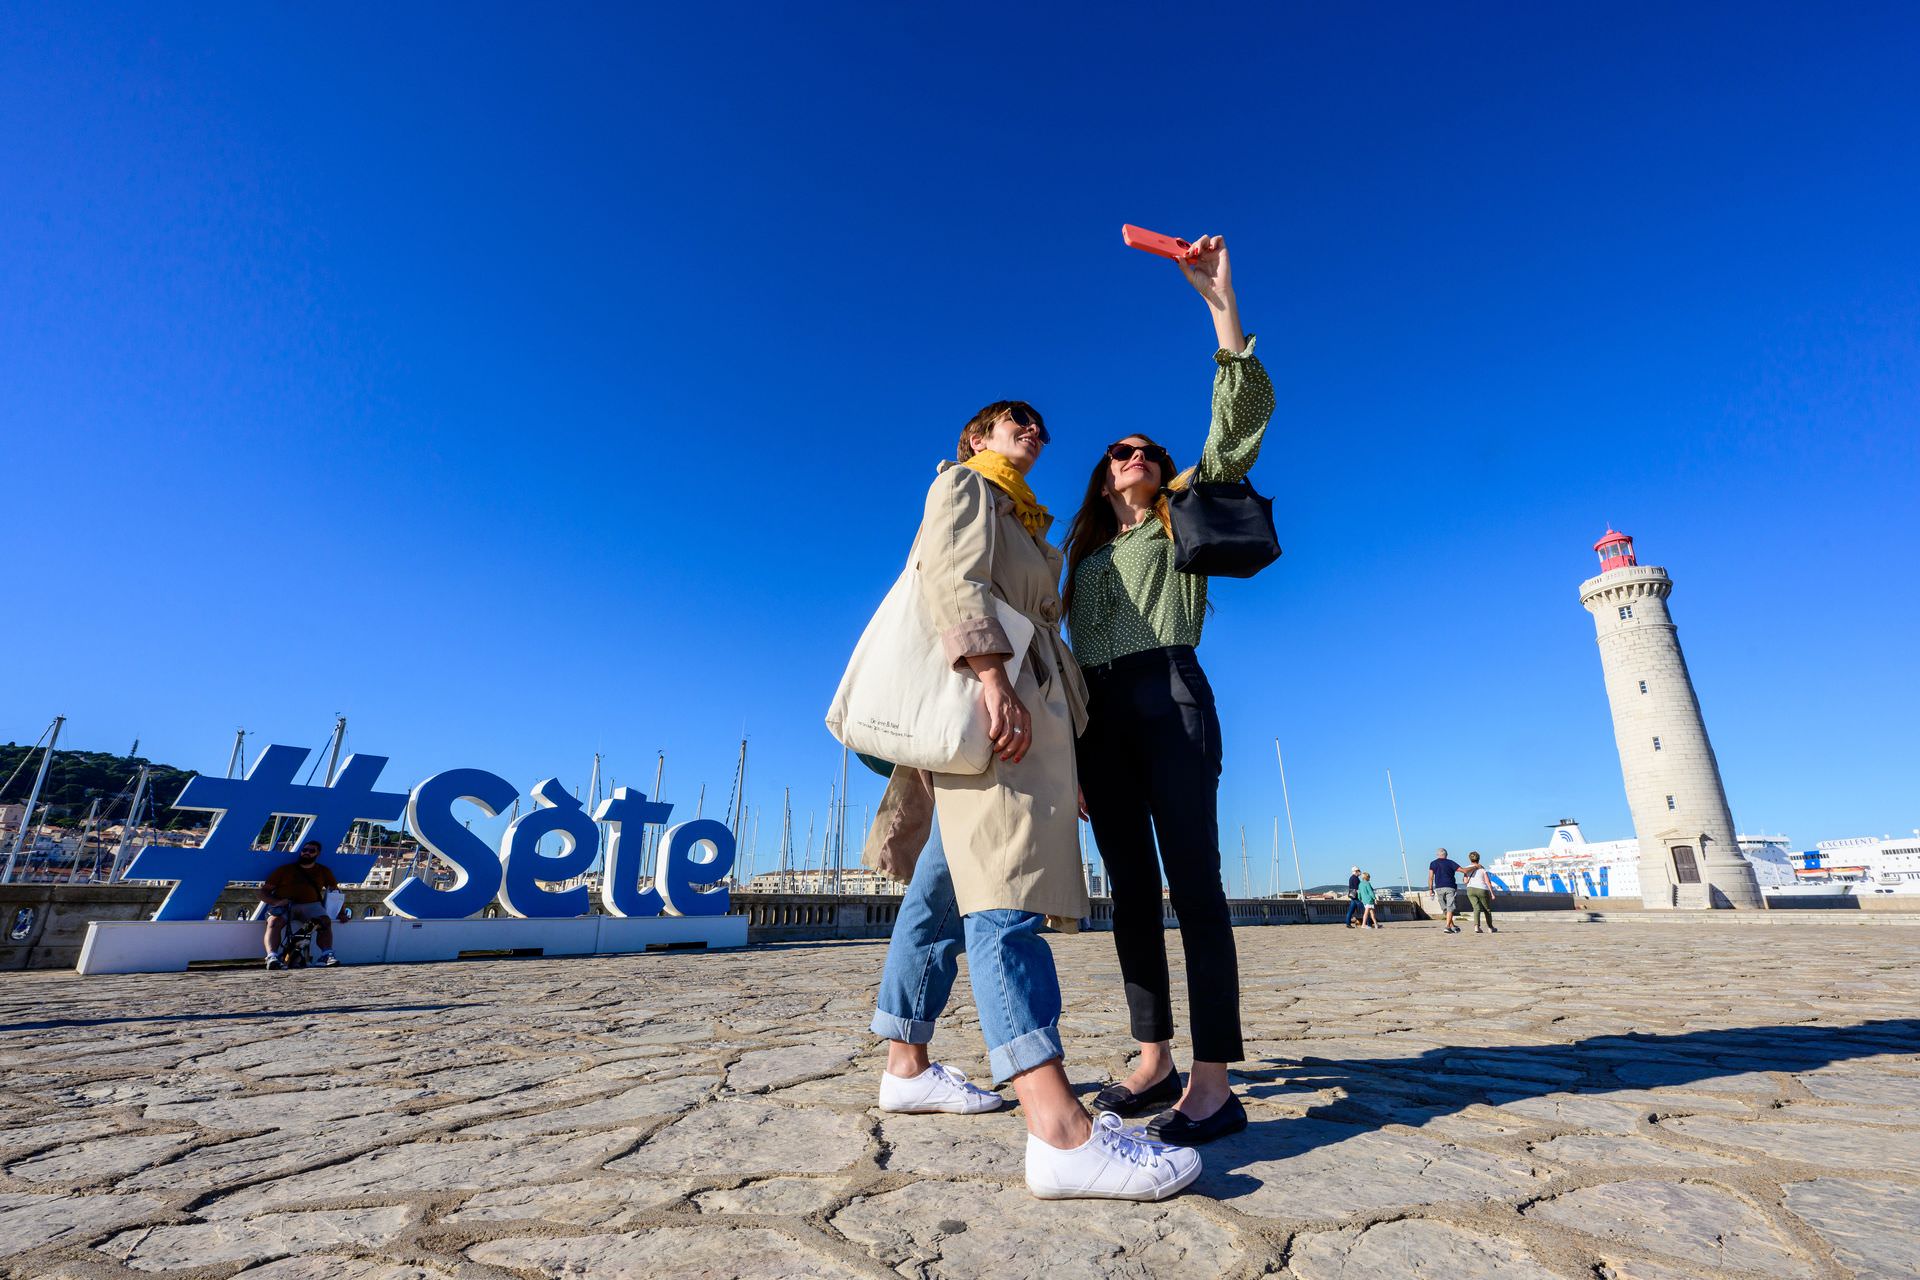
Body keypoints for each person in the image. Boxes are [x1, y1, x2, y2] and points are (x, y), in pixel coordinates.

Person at [861, 399, 1201, 1201]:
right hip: (994, 713)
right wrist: (987, 677)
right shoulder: (968, 488)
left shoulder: (1032, 524)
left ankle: (905, 1063)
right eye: (1017, 419)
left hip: (1025, 719)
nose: (1035, 431)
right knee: (1003, 901)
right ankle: (1057, 1128)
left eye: (1043, 426)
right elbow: (954, 577)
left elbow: (1048, 639)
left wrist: (1071, 749)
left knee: (945, 891)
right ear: (977, 436)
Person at [1063, 233, 1275, 1147]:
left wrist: (1218, 305)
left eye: (1147, 448)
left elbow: (1234, 429)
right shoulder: (1077, 556)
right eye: (1120, 450)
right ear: (1104, 471)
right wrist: (1069, 748)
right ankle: (1152, 1057)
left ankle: (1215, 1080)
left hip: (1172, 695)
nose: (1137, 455)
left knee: (1196, 886)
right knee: (1132, 894)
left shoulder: (1184, 511)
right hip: (1099, 717)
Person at [260, 840, 340, 968]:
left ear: (317, 854)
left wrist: (341, 912)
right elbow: (263, 892)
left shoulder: (323, 871)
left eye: (311, 851)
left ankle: (326, 955)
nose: (307, 853)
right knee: (274, 922)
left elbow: (334, 893)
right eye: (305, 850)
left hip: (311, 905)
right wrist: (277, 902)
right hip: (285, 905)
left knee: (324, 922)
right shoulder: (284, 870)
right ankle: (272, 957)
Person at [1427, 846, 1463, 935]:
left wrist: (1430, 889)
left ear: (1437, 855)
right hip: (1450, 887)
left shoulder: (1433, 863)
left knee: (1445, 908)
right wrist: (1473, 868)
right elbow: (1462, 870)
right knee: (1450, 907)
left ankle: (1452, 926)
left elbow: (1431, 877)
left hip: (1439, 888)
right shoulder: (1450, 863)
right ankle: (1448, 927)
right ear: (1446, 855)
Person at [1462, 851, 1499, 934]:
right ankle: (1490, 927)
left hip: (1470, 889)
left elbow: (1465, 881)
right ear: (1478, 859)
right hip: (1482, 889)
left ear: (1470, 859)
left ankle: (1476, 926)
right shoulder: (1482, 869)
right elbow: (1488, 882)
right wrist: (1492, 893)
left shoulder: (1467, 868)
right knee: (1487, 909)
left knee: (1476, 908)